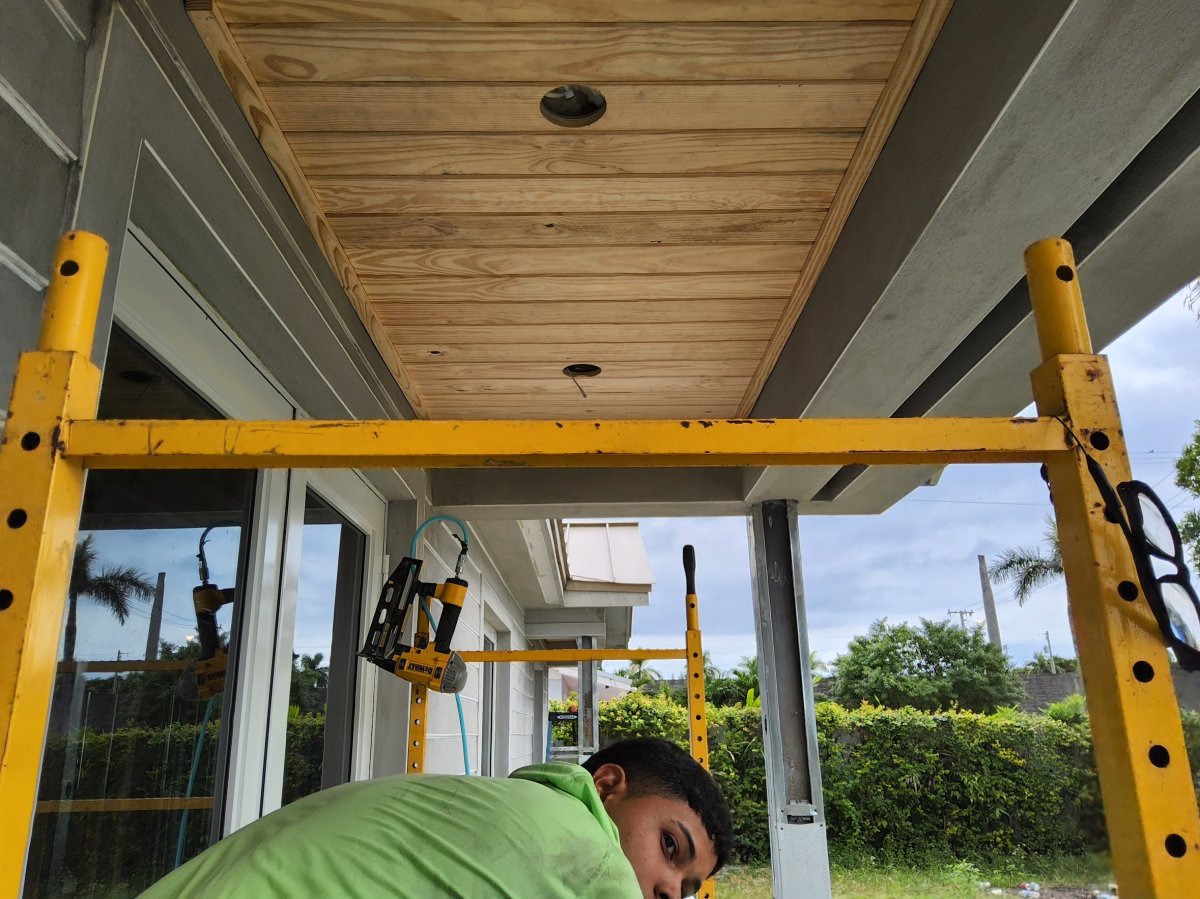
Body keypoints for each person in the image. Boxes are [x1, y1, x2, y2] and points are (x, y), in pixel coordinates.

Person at [138, 736, 731, 899]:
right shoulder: (592, 855)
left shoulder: (505, 804)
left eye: (686, 890)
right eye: (670, 846)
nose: (667, 889)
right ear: (606, 786)